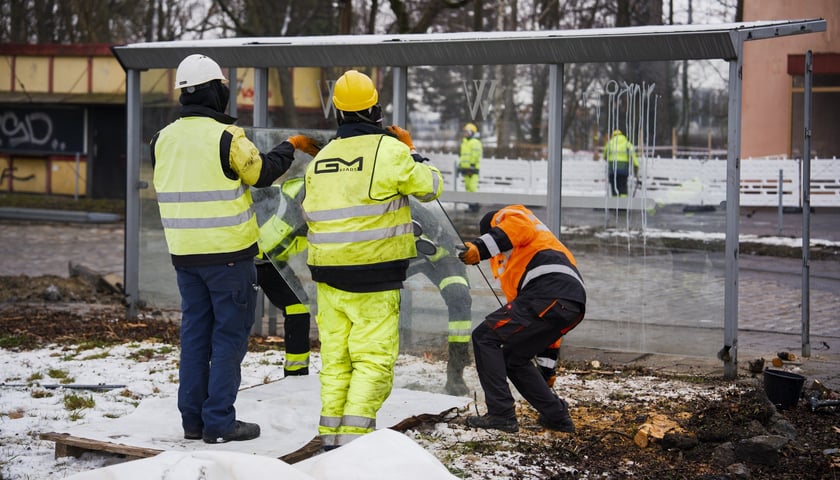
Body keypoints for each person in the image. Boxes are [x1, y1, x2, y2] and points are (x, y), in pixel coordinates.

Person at [151, 53, 319, 444]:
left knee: (195, 337)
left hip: (185, 257)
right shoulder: (226, 137)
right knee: (228, 337)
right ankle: (220, 422)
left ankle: (193, 421)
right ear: (214, 92)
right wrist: (290, 145)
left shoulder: (162, 139)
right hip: (228, 257)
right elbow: (261, 174)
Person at [302, 69, 443, 450]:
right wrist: (412, 149)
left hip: (327, 276)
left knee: (336, 360)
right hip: (374, 278)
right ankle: (353, 446)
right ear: (375, 110)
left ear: (339, 114)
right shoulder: (391, 151)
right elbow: (430, 187)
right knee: (372, 361)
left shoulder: (324, 157)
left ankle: (330, 437)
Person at [457, 205, 586, 433]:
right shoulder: (529, 258)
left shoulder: (508, 216)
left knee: (484, 337)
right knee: (513, 357)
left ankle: (501, 415)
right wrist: (547, 370)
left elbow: (517, 228)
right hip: (570, 305)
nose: (500, 254)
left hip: (547, 292)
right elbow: (537, 328)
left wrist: (479, 247)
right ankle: (557, 417)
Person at [406, 201, 472, 396]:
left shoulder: (409, 199)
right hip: (397, 256)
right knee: (380, 299)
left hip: (439, 252)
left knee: (459, 297)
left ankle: (456, 374)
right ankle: (374, 368)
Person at [252, 177, 312, 377]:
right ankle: (215, 376)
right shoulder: (279, 199)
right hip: (240, 261)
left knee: (298, 307)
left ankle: (296, 372)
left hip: (271, 263)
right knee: (232, 318)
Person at [603, 129, 639, 197]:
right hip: (623, 169)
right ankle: (623, 204)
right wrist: (636, 166)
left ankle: (615, 204)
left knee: (614, 187)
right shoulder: (627, 143)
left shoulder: (609, 143)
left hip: (612, 170)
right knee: (623, 186)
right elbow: (633, 156)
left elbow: (605, 156)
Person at [458, 122, 482, 211]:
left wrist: (472, 165)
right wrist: (461, 165)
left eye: (467, 132)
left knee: (472, 187)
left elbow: (475, 154)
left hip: (473, 168)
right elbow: (463, 156)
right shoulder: (465, 142)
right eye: (465, 132)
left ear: (472, 132)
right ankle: (471, 206)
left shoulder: (474, 142)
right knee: (467, 187)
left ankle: (475, 205)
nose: (465, 133)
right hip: (466, 168)